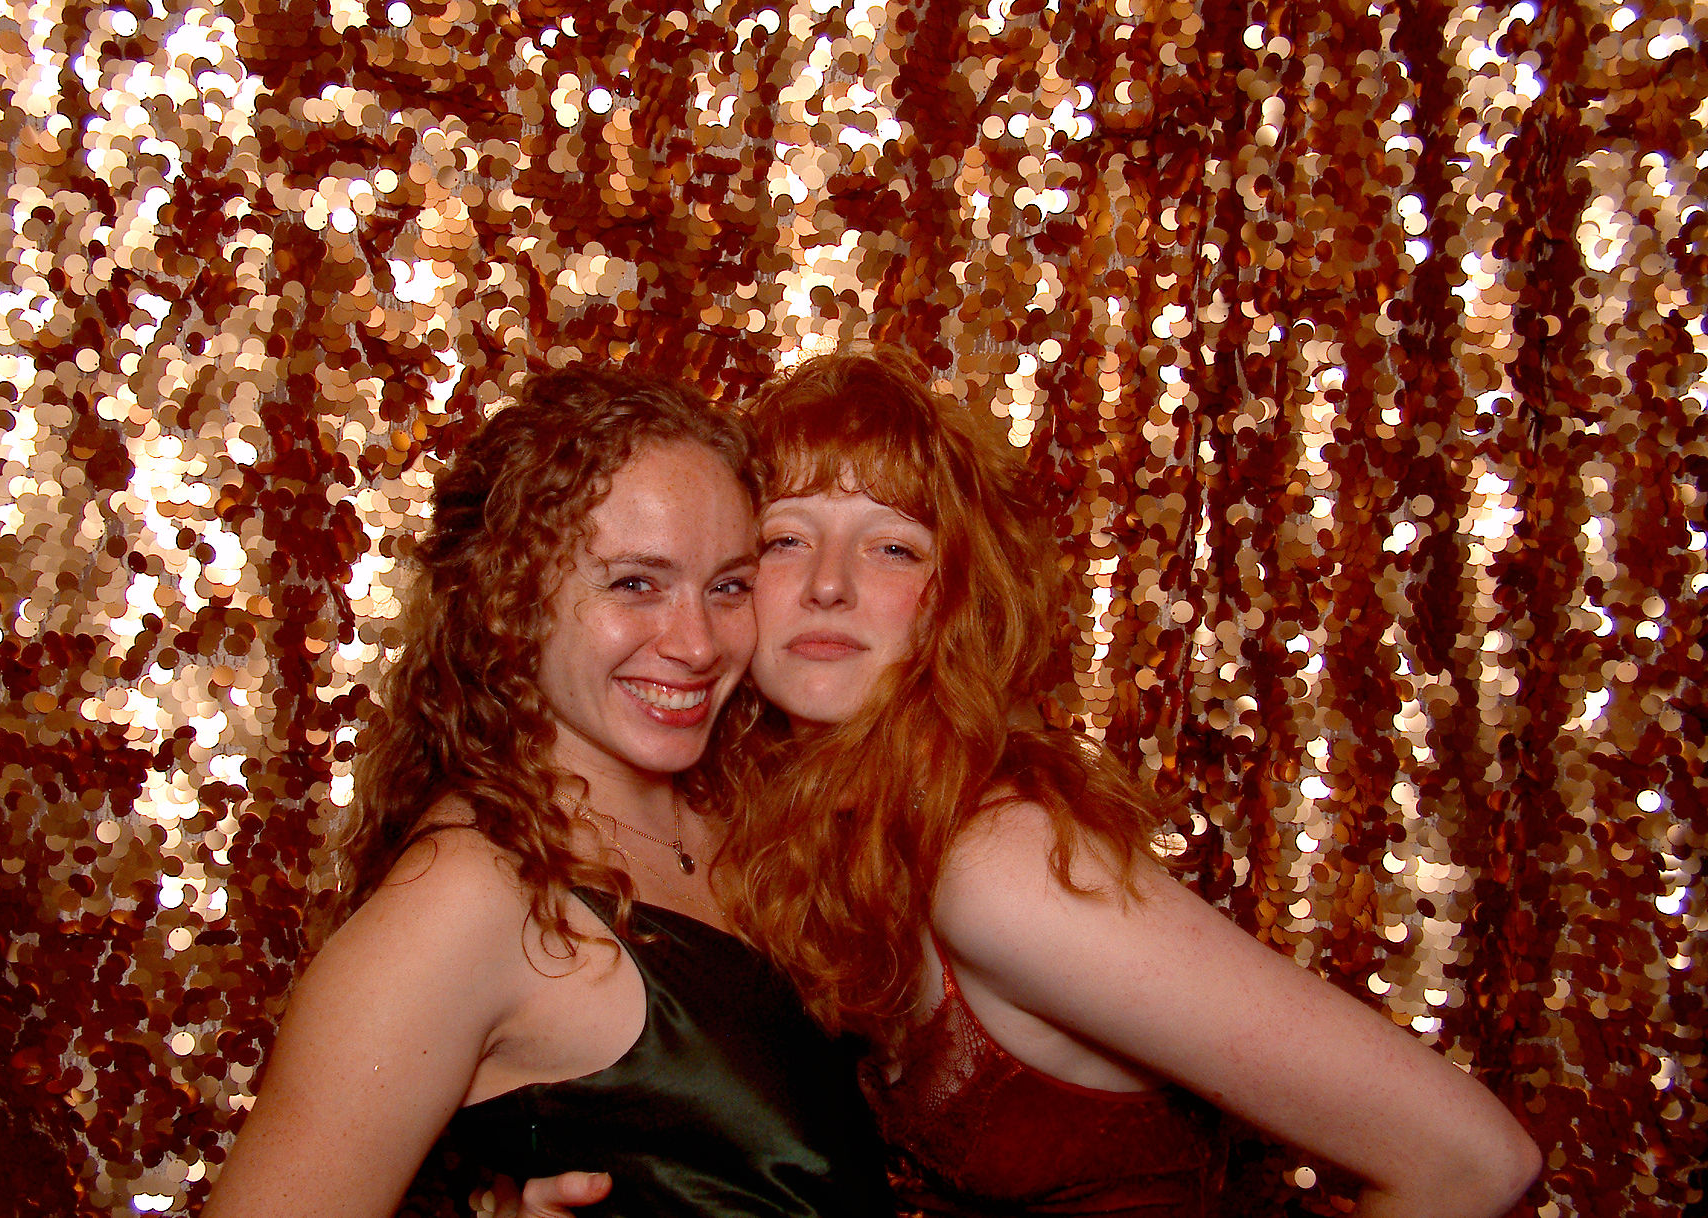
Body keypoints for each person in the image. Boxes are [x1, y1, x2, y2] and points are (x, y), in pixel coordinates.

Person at [720, 346, 1543, 1217]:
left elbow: (1473, 1160)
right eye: (784, 540)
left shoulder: (998, 863)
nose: (829, 585)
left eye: (893, 547)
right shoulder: (825, 832)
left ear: (957, 598)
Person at [203, 365, 892, 1218]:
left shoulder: (746, 802)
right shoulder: (459, 903)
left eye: (728, 587)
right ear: (510, 598)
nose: (698, 644)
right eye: (634, 583)